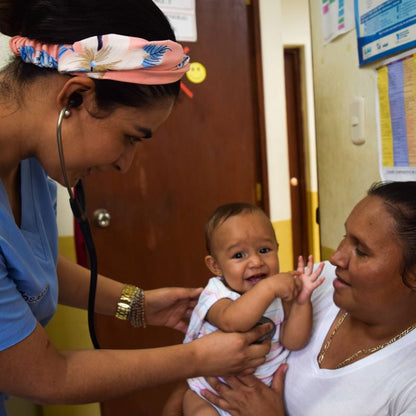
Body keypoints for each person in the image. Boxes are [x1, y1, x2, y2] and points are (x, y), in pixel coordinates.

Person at [0, 1, 273, 414]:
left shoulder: (31, 163)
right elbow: (46, 376)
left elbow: (34, 265)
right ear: (75, 96)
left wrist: (136, 304)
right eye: (131, 137)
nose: (125, 165)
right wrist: (199, 357)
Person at [199, 181, 416, 415]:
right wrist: (193, 388)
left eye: (361, 251)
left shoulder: (408, 383)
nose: (336, 258)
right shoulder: (319, 280)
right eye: (345, 236)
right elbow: (219, 334)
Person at [182, 203, 324, 415]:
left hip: (262, 395)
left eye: (264, 250)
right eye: (239, 255)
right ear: (216, 266)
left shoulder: (278, 292)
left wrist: (302, 302)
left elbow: (294, 341)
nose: (256, 261)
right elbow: (233, 321)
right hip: (209, 391)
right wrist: (269, 288)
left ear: (277, 248)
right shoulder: (216, 295)